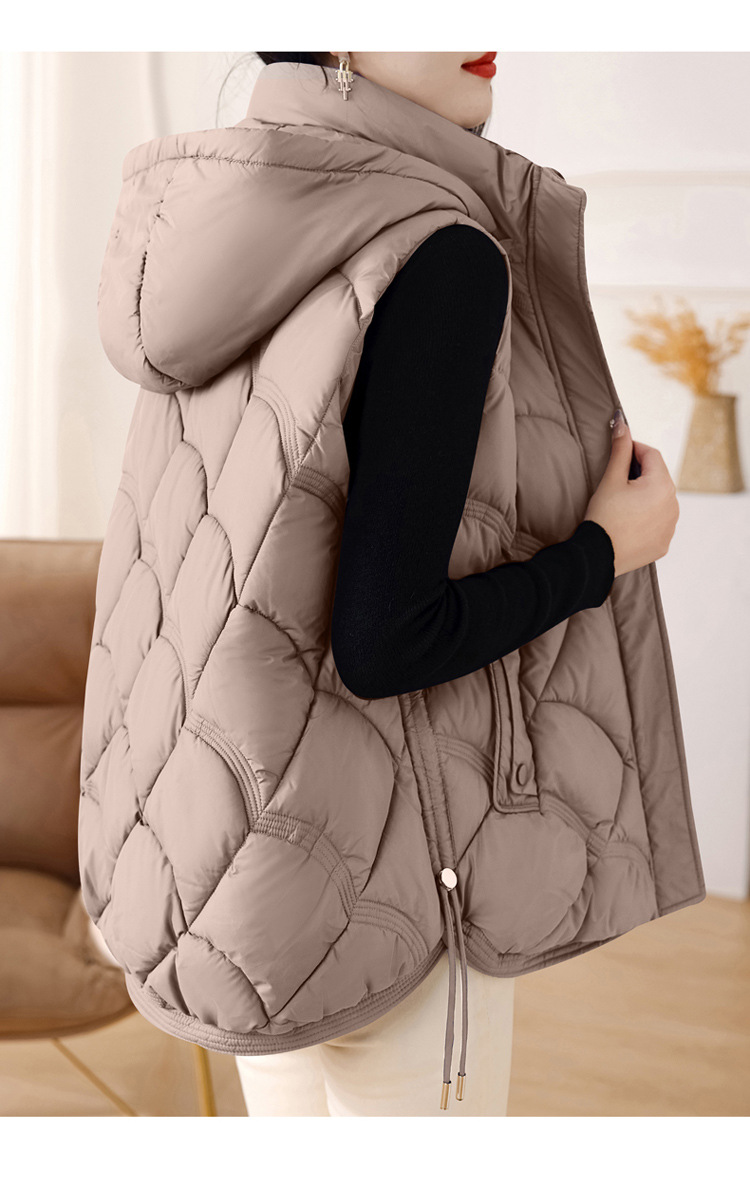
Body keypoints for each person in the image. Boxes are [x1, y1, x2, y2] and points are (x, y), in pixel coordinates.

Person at [230, 50, 679, 1117]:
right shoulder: (438, 253)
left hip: (243, 870)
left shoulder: (224, 222)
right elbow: (386, 639)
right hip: (392, 882)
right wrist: (605, 550)